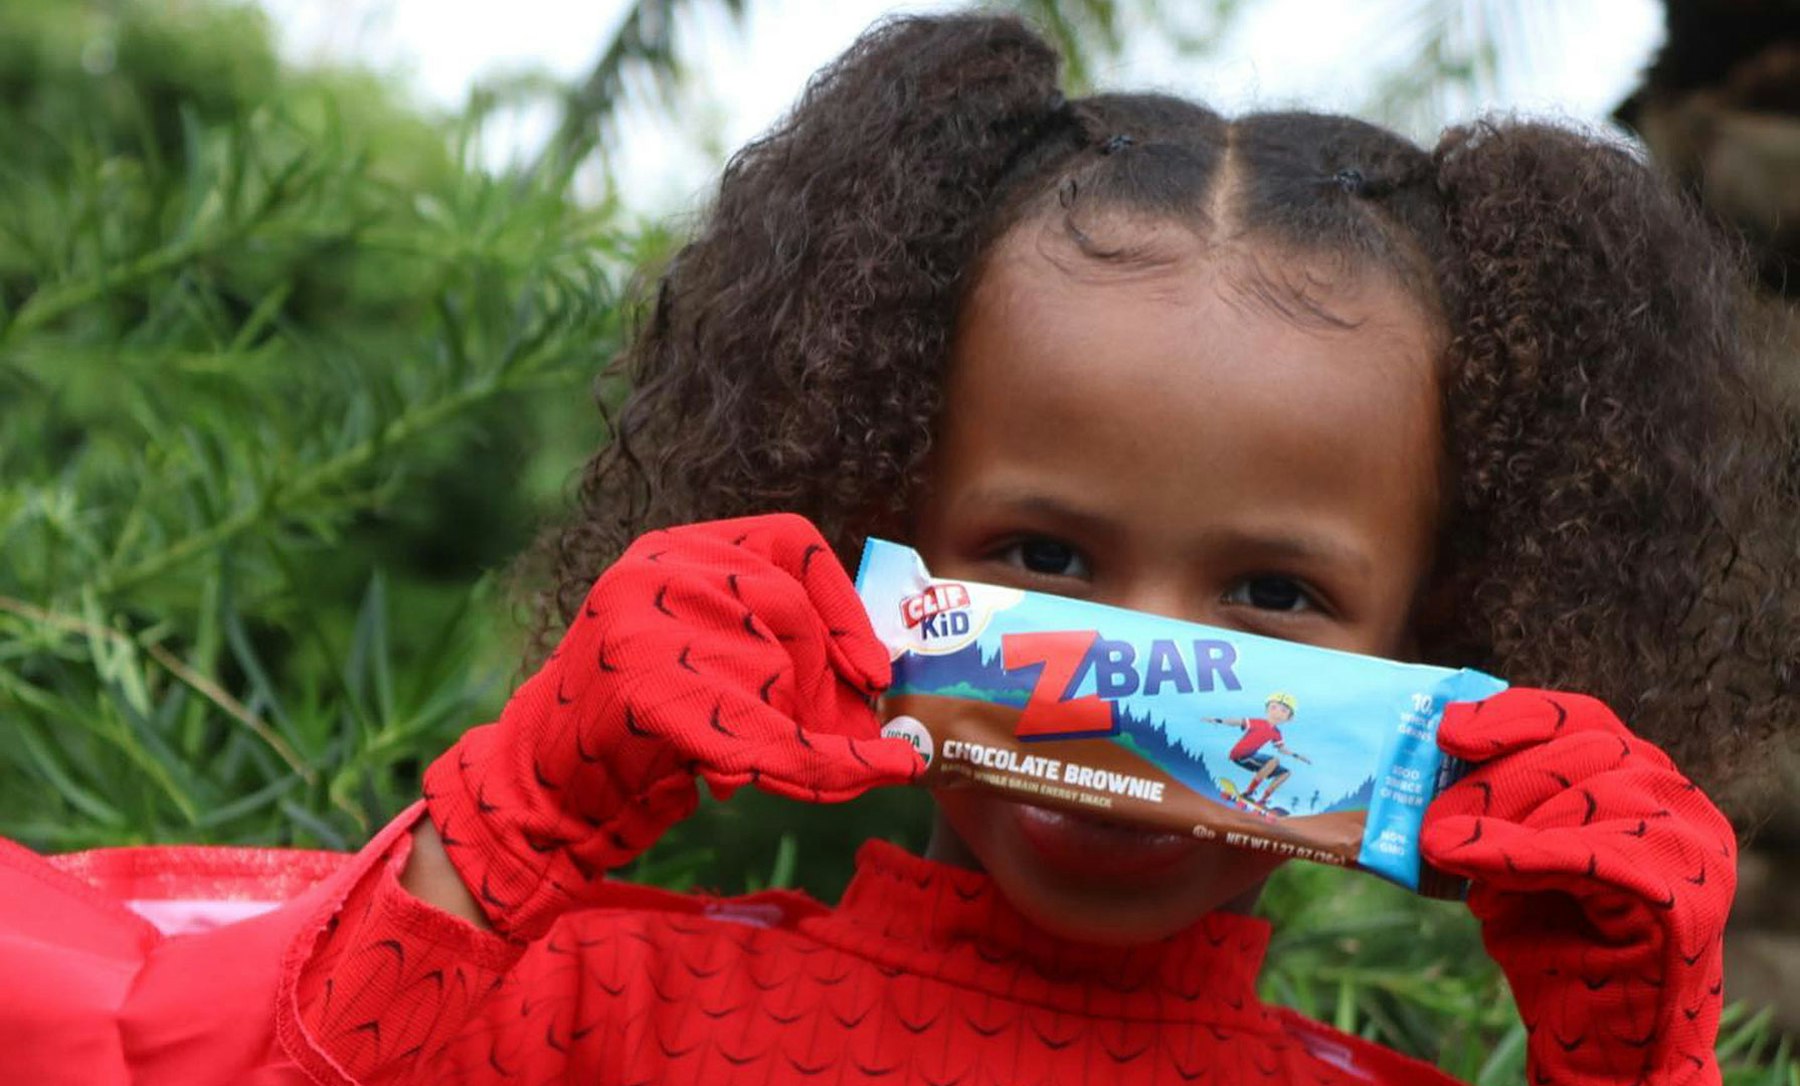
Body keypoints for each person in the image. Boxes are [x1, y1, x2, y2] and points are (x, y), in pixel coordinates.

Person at [0, 12, 1791, 1086]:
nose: (1130, 682)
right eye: (1045, 554)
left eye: (1270, 595)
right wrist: (514, 822)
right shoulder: (601, 1000)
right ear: (874, 528)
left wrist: (1628, 1059)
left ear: (1439, 635)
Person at [1206, 693, 1312, 806]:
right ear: (1267, 709)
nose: (1277, 712)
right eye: (1274, 707)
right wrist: (1219, 721)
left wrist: (1297, 755)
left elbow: (1281, 748)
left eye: (1284, 711)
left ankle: (1263, 799)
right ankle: (1248, 793)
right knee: (1274, 761)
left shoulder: (1276, 733)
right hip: (1240, 755)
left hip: (1253, 756)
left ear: (1289, 718)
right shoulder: (1257, 723)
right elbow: (1237, 722)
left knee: (1286, 773)